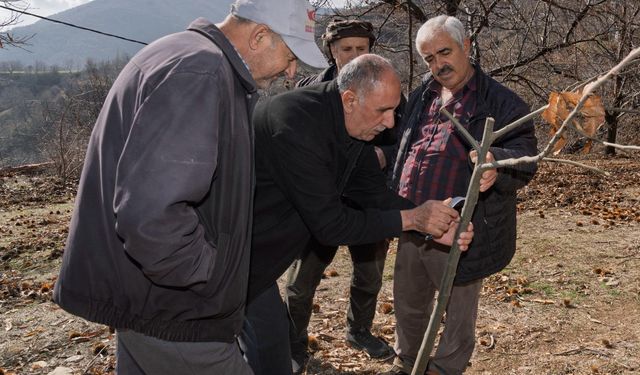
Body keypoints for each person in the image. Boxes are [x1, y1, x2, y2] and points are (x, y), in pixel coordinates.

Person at [52, 0, 328, 373]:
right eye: (291, 55)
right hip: (176, 311)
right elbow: (151, 214)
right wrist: (209, 276)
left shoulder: (181, 52)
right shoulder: (201, 71)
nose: (292, 71)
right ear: (260, 36)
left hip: (145, 299)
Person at [240, 53, 475, 375]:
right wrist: (412, 220)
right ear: (349, 99)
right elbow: (330, 225)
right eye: (383, 111)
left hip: (257, 270)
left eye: (394, 110)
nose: (391, 123)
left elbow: (372, 194)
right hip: (221, 264)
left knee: (271, 356)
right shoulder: (293, 122)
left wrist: (432, 221)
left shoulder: (352, 128)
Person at [382, 15, 538, 375]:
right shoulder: (424, 93)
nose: (438, 64)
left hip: (462, 226)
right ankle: (407, 362)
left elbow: (526, 154)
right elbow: (407, 143)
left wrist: (495, 162)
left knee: (457, 311)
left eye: (444, 52)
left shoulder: (500, 101)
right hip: (414, 216)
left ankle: (444, 369)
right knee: (409, 301)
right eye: (429, 58)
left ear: (466, 46)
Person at [285, 19, 395, 371]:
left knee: (370, 274)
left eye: (361, 49)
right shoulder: (309, 89)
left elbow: (403, 137)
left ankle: (358, 330)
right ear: (332, 51)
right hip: (318, 203)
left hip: (367, 201)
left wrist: (385, 155)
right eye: (346, 49)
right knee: (302, 283)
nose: (354, 55)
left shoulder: (387, 87)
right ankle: (294, 343)